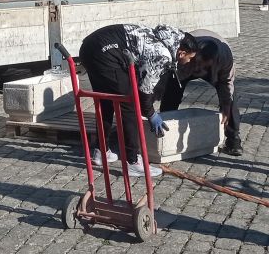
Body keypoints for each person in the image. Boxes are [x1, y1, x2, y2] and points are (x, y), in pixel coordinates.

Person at [77, 24, 206, 177]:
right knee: (129, 104)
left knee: (106, 101)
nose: (189, 61)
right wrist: (151, 114)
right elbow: (144, 90)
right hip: (105, 53)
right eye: (190, 58)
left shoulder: (165, 37)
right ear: (181, 53)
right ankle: (132, 161)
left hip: (90, 47)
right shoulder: (162, 54)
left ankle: (101, 151)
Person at [159, 32, 243, 156]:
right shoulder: (186, 52)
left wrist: (226, 106)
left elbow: (227, 84)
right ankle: (164, 129)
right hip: (187, 64)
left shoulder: (225, 58)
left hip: (217, 63)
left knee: (229, 99)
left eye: (206, 66)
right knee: (172, 91)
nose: (202, 69)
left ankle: (234, 141)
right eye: (201, 64)